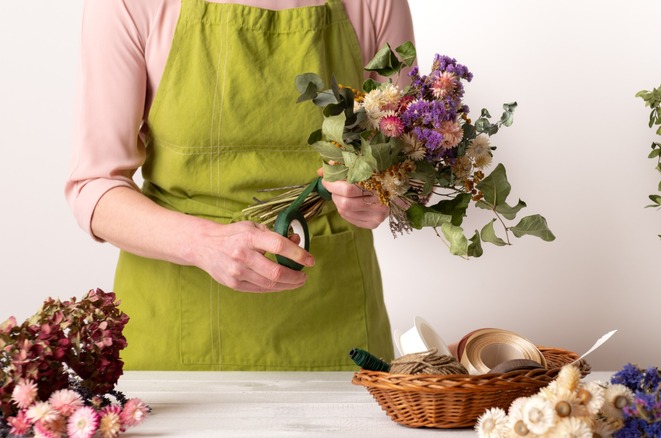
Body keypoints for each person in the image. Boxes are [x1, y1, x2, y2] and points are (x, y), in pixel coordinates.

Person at [65, 0, 416, 370]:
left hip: (338, 330)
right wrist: (201, 243)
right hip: (175, 333)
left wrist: (381, 194)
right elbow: (94, 186)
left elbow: (413, 163)